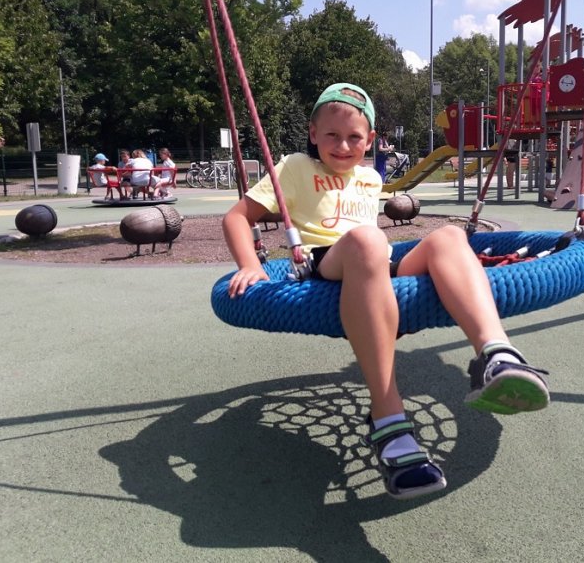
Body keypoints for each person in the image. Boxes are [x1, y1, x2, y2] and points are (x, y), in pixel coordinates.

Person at [222, 82, 549, 500]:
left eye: (354, 137)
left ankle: (495, 355)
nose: (343, 146)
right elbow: (237, 217)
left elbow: (375, 247)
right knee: (367, 240)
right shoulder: (295, 167)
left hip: (374, 260)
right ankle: (387, 417)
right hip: (323, 261)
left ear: (371, 139)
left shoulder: (369, 177)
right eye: (332, 135)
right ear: (313, 133)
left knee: (450, 236)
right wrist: (251, 264)